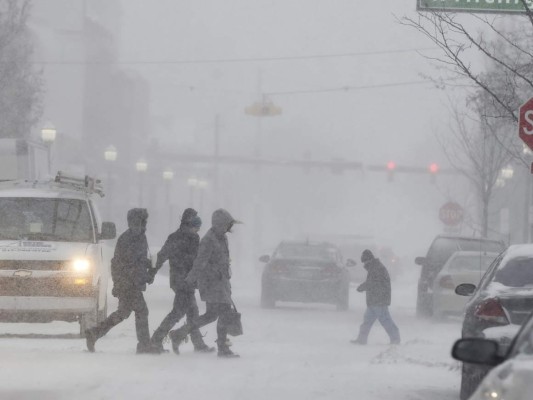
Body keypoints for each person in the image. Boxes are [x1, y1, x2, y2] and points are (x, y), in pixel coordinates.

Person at [168, 208, 241, 358]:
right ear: (219, 224)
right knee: (224, 312)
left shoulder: (222, 238)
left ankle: (179, 333)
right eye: (227, 224)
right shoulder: (209, 240)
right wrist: (190, 280)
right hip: (211, 283)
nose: (229, 228)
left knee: (211, 315)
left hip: (220, 283)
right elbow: (200, 262)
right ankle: (222, 347)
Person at [85, 208, 159, 354]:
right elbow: (123, 264)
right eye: (143, 221)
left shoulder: (138, 237)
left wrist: (148, 267)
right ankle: (144, 345)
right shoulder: (129, 238)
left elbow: (138, 261)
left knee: (123, 313)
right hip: (129, 284)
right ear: (136, 221)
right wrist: (122, 283)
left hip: (131, 283)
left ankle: (94, 333)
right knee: (141, 311)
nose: (144, 224)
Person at [149, 208, 214, 353]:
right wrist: (152, 271)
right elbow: (162, 256)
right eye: (195, 224)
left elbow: (198, 260)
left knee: (192, 312)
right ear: (188, 222)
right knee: (178, 312)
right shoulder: (176, 237)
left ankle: (197, 343)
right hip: (180, 281)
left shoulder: (194, 238)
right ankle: (156, 339)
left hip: (188, 281)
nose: (197, 229)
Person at [351, 249, 401, 345]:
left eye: (365, 261)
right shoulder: (374, 267)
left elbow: (373, 283)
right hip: (374, 301)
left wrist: (362, 287)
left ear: (369, 259)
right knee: (367, 321)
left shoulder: (377, 268)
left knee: (385, 320)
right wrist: (364, 287)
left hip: (379, 300)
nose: (364, 264)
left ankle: (395, 339)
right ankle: (361, 339)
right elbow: (373, 283)